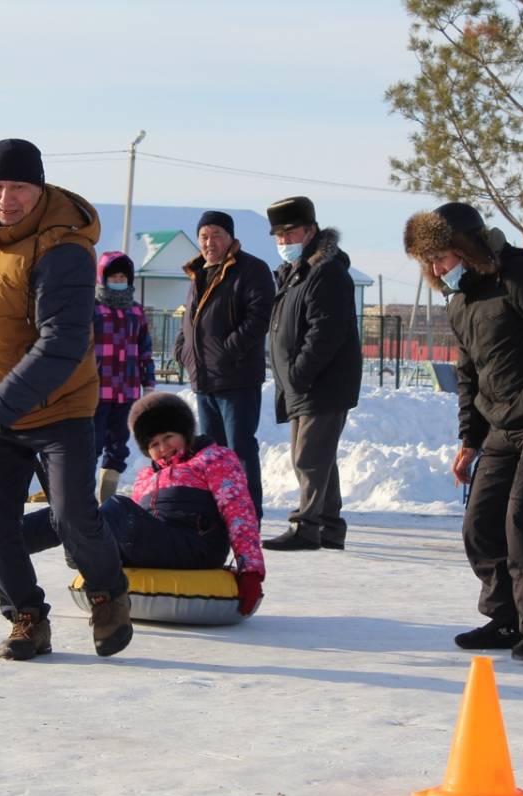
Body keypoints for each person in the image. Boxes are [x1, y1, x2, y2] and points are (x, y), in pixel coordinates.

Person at [0, 137, 132, 661]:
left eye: (20, 187)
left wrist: (0, 406)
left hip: (58, 408)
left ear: (40, 187)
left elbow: (63, 340)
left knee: (74, 514)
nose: (7, 199)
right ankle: (26, 618)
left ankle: (107, 594)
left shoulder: (64, 247)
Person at [404, 201, 523, 664]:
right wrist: (469, 439)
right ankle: (506, 617)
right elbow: (469, 374)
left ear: (466, 248)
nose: (437, 269)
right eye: (429, 262)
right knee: (481, 523)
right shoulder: (462, 302)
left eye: (442, 257)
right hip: (501, 428)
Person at [0, 392, 265, 617]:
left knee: (111, 508)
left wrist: (250, 572)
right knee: (74, 512)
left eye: (168, 438)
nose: (162, 448)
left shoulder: (214, 459)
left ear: (185, 433)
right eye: (154, 444)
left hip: (195, 545)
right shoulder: (149, 476)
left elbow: (240, 513)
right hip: (157, 545)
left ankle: (76, 548)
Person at [260, 197, 363, 551]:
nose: (285, 241)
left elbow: (325, 332)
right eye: (279, 235)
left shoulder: (326, 272)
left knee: (308, 457)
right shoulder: (295, 273)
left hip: (321, 381)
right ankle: (330, 527)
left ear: (311, 230)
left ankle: (306, 528)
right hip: (300, 382)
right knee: (318, 458)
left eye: (291, 233)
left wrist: (299, 372)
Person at [173, 210, 274, 521]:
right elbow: (191, 319)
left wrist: (229, 350)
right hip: (203, 379)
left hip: (237, 378)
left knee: (240, 449)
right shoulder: (199, 271)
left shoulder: (251, 269)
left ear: (231, 238)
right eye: (204, 236)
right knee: (212, 454)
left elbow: (258, 318)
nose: (209, 242)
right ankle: (220, 511)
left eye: (216, 235)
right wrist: (183, 350)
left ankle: (248, 514)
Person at [92, 251, 156, 503]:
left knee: (119, 445)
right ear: (103, 278)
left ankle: (106, 494)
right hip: (96, 390)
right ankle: (82, 496)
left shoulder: (136, 311)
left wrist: (148, 382)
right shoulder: (92, 309)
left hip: (127, 391)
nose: (118, 280)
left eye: (122, 276)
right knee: (92, 445)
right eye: (113, 276)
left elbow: (145, 349)